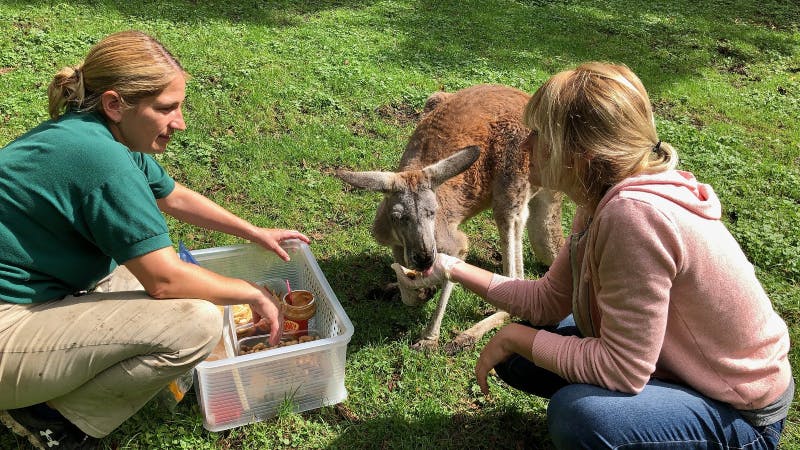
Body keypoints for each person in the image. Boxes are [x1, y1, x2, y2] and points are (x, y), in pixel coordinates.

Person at [393, 62, 792, 449]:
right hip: (673, 361)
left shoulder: (633, 216)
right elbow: (547, 300)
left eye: (537, 136)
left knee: (579, 417)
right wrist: (450, 267)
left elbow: (623, 369)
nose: (525, 145)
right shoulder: (599, 197)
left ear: (578, 155)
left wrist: (519, 336)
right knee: (520, 357)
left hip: (739, 410)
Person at [0, 30, 309, 449]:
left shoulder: (97, 133)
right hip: (7, 323)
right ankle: (54, 421)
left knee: (192, 289)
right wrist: (251, 293)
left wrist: (253, 231)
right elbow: (163, 280)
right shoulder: (101, 158)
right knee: (197, 321)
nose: (179, 122)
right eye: (166, 108)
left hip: (40, 292)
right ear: (114, 104)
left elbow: (171, 194)